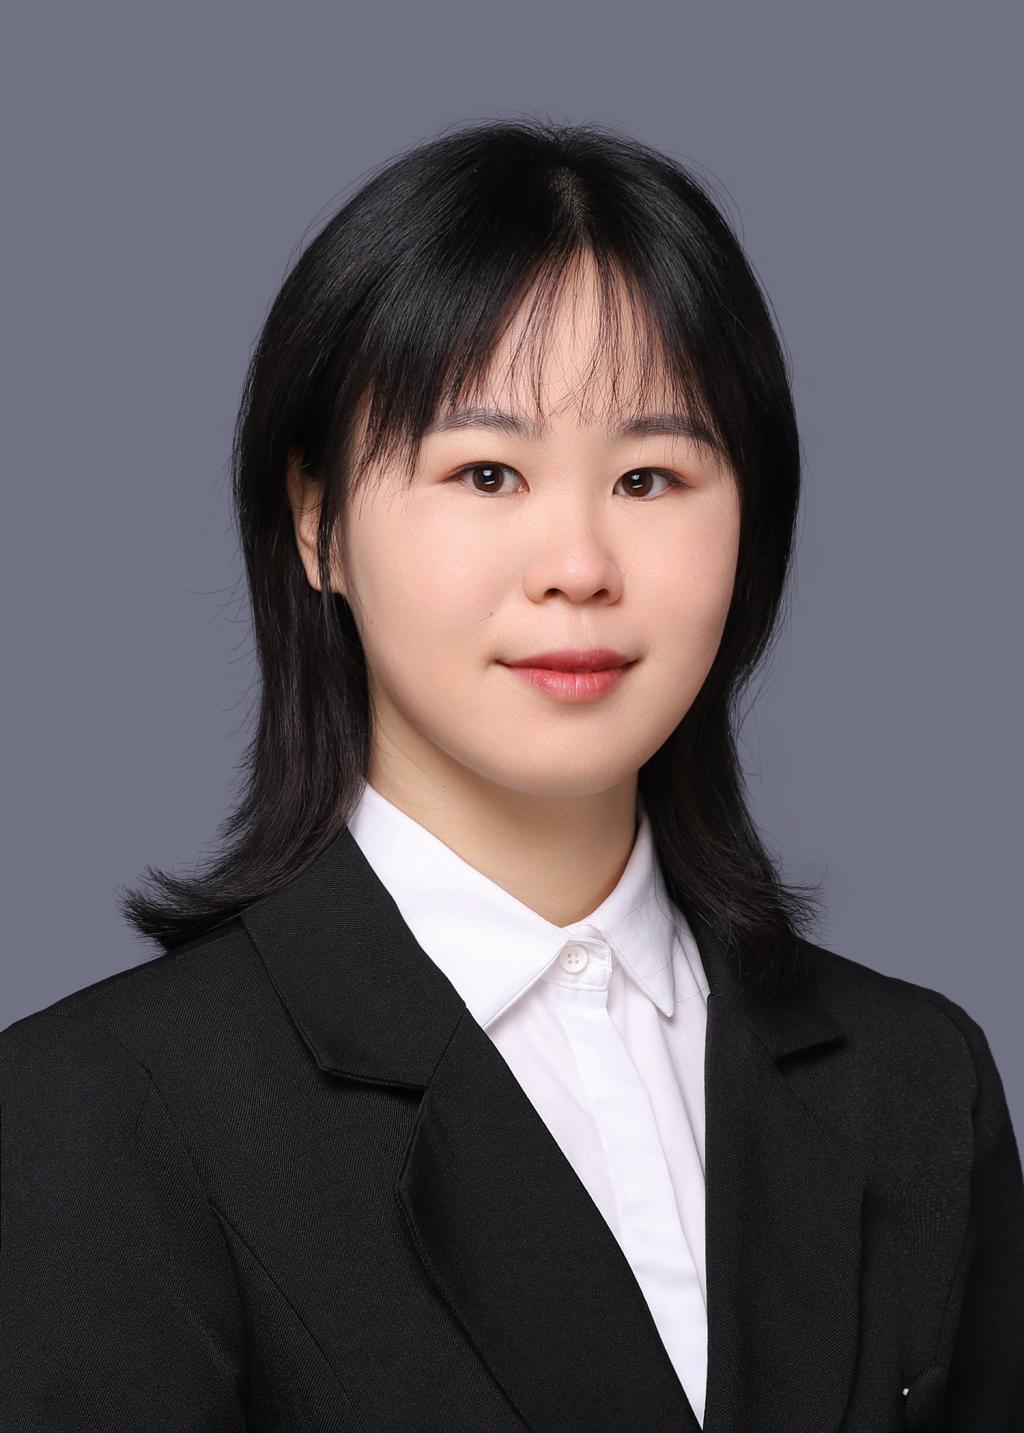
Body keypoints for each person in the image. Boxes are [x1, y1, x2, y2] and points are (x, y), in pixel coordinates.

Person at [1, 118, 1021, 1433]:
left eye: (650, 476)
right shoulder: (99, 1111)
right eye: (487, 472)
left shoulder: (915, 1080)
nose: (578, 565)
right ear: (316, 521)